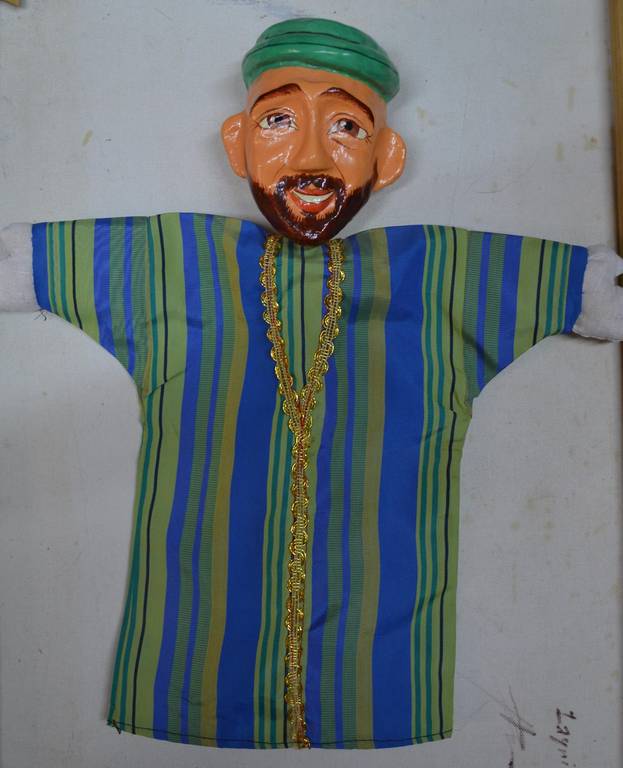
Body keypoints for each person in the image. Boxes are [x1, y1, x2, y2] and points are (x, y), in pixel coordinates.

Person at [0, 16, 621, 751]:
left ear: (389, 159)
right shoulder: (175, 262)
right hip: (187, 662)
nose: (310, 155)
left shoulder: (438, 276)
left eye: (348, 129)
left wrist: (590, 288)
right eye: (279, 121)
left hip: (381, 675)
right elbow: (32, 262)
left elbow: (584, 287)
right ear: (236, 142)